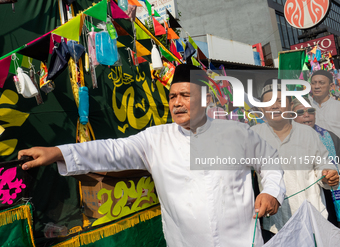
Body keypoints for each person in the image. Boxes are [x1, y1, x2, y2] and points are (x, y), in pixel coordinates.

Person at [19, 64, 286, 247]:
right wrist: (58, 152)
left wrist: (271, 191)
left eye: (185, 95)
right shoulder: (155, 139)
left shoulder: (238, 133)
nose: (177, 102)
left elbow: (271, 162)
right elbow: (111, 150)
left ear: (205, 99)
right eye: (172, 97)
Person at [251, 79, 339, 239]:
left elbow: (323, 163)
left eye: (279, 100)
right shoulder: (253, 135)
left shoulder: (308, 133)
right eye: (269, 102)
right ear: (262, 109)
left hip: (314, 219)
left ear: (290, 105)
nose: (275, 106)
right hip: (276, 226)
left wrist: (329, 174)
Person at [292, 97, 340, 227]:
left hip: (330, 195)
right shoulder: (287, 140)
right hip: (302, 197)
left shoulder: (331, 137)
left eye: (311, 111)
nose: (306, 115)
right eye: (300, 112)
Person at [309, 70, 340, 138]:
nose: (317, 86)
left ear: (331, 86)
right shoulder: (306, 107)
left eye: (322, 83)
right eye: (313, 83)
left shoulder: (338, 107)